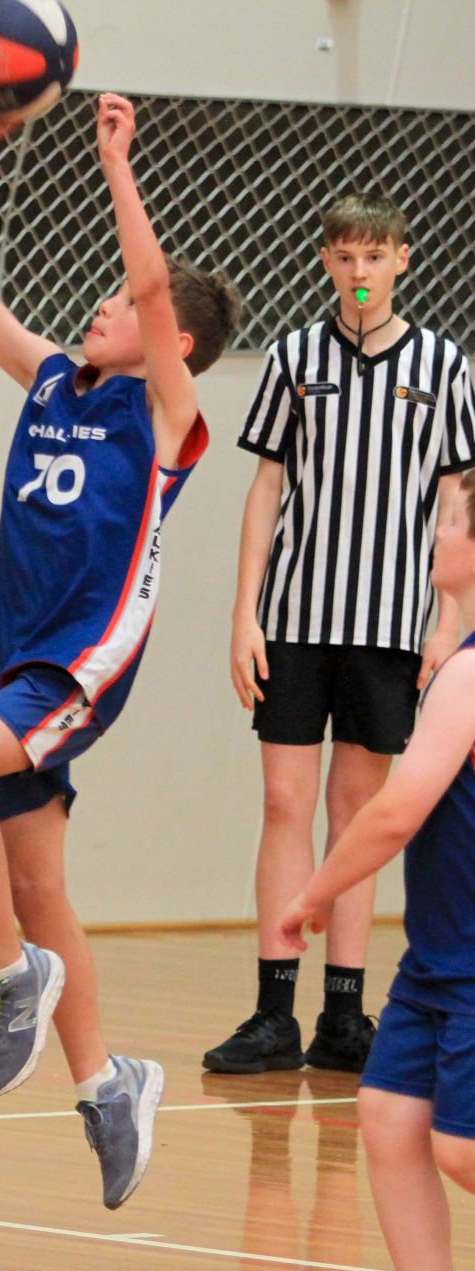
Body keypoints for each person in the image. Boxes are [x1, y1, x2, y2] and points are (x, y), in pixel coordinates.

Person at [0, 94, 240, 1209]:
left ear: (173, 343)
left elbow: (148, 284)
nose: (102, 306)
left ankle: (9, 976)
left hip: (81, 661)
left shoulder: (165, 417)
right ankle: (108, 1084)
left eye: (125, 304)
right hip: (16, 655)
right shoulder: (55, 378)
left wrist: (117, 165)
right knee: (38, 884)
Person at [204, 192, 475, 1076]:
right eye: (345, 257)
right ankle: (273, 1011)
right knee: (285, 802)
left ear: (403, 259)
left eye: (375, 256)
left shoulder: (442, 364)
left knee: (358, 811)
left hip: (392, 627)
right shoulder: (293, 356)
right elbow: (266, 489)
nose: (360, 273)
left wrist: (447, 620)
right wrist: (244, 612)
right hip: (294, 620)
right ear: (326, 261)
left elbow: (456, 498)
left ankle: (344, 1015)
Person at [277, 468, 475, 1271]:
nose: (437, 533)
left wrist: (313, 893)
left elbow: (395, 811)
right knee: (390, 1115)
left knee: (463, 1148)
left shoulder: (468, 674)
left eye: (452, 520)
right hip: (438, 960)